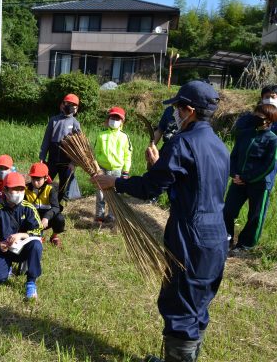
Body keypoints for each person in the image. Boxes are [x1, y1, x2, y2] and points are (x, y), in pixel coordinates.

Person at [92, 81, 229, 362]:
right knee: (198, 300)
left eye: (177, 107)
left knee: (179, 303)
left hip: (191, 234)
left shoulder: (182, 142)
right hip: (217, 234)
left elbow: (150, 188)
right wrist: (159, 166)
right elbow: (190, 184)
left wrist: (114, 182)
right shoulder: (219, 145)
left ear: (189, 110)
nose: (174, 113)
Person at [224, 104, 277, 252]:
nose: (255, 118)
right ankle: (226, 239)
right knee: (228, 210)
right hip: (238, 181)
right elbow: (234, 157)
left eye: (259, 116)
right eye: (255, 114)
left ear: (269, 120)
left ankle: (245, 245)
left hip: (259, 184)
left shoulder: (273, 140)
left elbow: (268, 165)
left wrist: (246, 178)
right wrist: (234, 174)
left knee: (255, 216)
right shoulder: (244, 134)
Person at [0, 172, 43, 300]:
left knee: (36, 245)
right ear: (5, 190)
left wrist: (21, 235)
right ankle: (7, 267)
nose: (19, 192)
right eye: (15, 189)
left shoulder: (29, 208)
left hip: (23, 249)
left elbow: (38, 230)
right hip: (4, 250)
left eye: (21, 189)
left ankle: (31, 282)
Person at [39, 93, 81, 205]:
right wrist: (42, 157)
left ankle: (57, 206)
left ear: (76, 109)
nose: (69, 106)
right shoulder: (53, 120)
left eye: (73, 105)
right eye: (67, 103)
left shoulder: (75, 123)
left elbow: (79, 147)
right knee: (46, 181)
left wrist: (73, 162)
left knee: (63, 185)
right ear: (62, 104)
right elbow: (46, 139)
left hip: (66, 162)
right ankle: (42, 202)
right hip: (52, 160)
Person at [93, 106, 132, 225]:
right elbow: (96, 152)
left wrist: (126, 171)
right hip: (102, 169)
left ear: (122, 121)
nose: (114, 120)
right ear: (108, 119)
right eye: (112, 118)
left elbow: (128, 155)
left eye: (117, 118)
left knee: (115, 195)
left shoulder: (125, 137)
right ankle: (99, 216)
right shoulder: (101, 135)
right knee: (100, 194)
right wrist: (96, 168)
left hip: (117, 170)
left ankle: (111, 216)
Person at [25, 162, 65, 246]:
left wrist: (46, 217)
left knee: (60, 219)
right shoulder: (26, 189)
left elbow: (56, 207)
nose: (35, 182)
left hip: (47, 218)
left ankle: (54, 236)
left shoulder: (51, 189)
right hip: (32, 218)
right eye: (33, 179)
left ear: (46, 178)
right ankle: (36, 236)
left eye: (38, 180)